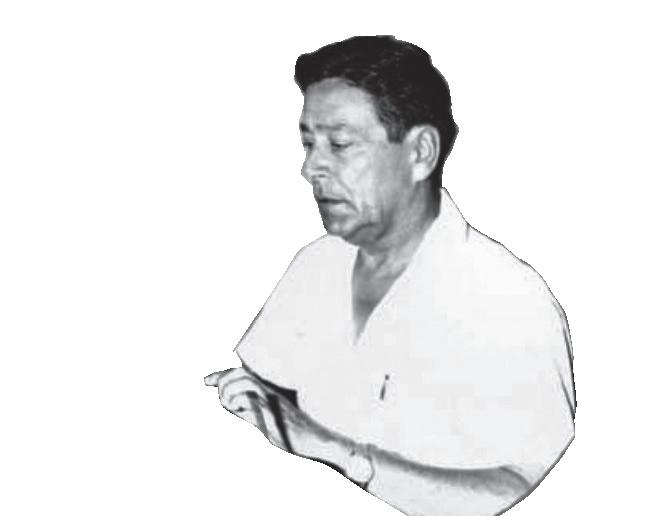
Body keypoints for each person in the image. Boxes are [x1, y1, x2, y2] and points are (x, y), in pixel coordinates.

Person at [205, 36, 575, 516]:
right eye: (308, 143)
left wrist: (333, 451)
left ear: (421, 152)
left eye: (340, 144)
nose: (310, 168)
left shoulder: (513, 301)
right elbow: (268, 402)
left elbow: (522, 488)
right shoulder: (314, 266)